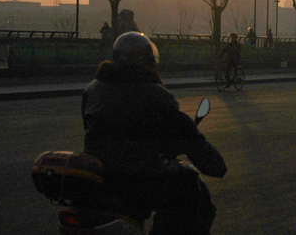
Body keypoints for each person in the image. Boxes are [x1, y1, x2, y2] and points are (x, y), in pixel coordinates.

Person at [82, 32, 227, 234]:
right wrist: (215, 164)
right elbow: (186, 134)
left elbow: (91, 129)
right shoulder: (155, 93)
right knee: (188, 184)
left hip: (101, 178)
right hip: (137, 179)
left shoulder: (93, 89)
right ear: (149, 62)